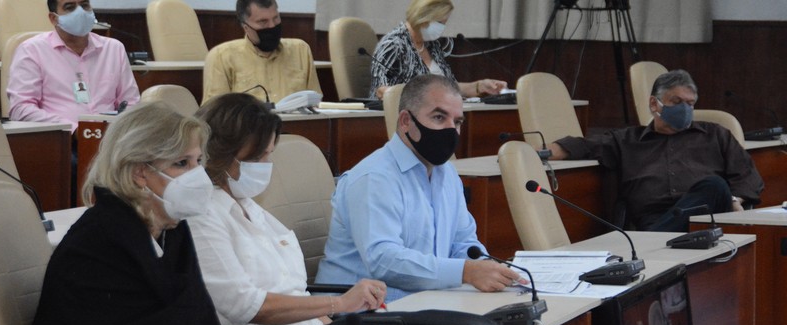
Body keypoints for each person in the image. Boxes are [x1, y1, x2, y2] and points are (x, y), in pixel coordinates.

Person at [33, 102, 248, 325]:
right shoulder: (99, 239)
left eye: (198, 162)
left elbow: (195, 316)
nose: (197, 175)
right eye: (181, 163)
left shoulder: (171, 226)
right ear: (139, 173)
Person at [189, 93, 386, 325]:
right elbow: (246, 306)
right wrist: (339, 304)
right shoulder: (202, 216)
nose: (266, 166)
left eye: (268, 155)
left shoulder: (250, 206)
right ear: (219, 153)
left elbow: (295, 292)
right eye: (257, 157)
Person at [316, 75, 524, 302]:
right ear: (406, 121)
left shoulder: (447, 174)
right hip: (360, 315)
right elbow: (384, 261)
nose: (450, 130)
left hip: (420, 305)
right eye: (438, 117)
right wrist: (466, 271)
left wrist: (484, 266)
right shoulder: (374, 178)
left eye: (457, 122)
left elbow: (463, 242)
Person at [548, 69, 763, 232]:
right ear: (654, 104)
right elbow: (583, 146)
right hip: (651, 220)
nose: (685, 109)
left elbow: (749, 178)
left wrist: (733, 200)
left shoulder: (715, 135)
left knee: (715, 186)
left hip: (705, 222)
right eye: (677, 102)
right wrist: (540, 153)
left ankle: (659, 238)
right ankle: (660, 236)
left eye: (690, 104)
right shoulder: (627, 140)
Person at [8, 0, 140, 131]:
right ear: (54, 18)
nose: (80, 12)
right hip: (61, 141)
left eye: (84, 5)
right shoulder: (32, 50)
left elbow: (131, 102)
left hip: (111, 139)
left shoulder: (113, 48)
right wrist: (73, 129)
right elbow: (21, 108)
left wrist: (115, 132)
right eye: (70, 7)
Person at [369, 0, 507, 100]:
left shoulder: (431, 45)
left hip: (438, 115)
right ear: (423, 18)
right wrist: (427, 95)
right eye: (440, 23)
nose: (442, 28)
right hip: (402, 118)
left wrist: (479, 87)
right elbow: (380, 91)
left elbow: (448, 87)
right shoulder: (393, 45)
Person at [202, 0, 322, 104]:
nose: (272, 26)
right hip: (249, 129)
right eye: (263, 22)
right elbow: (216, 115)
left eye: (276, 18)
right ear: (246, 27)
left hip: (298, 128)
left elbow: (317, 103)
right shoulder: (222, 57)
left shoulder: (300, 50)